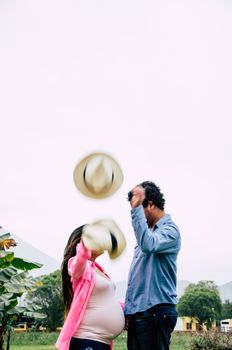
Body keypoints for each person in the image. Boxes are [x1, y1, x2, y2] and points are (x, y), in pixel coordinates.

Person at [124, 181, 181, 350]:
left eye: (138, 208)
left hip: (156, 312)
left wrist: (135, 211)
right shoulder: (147, 234)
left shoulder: (170, 231)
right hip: (139, 313)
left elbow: (149, 244)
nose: (136, 214)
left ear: (149, 204)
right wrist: (130, 310)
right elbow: (136, 275)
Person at [56, 224, 125, 350]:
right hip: (87, 339)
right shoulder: (77, 266)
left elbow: (104, 299)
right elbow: (79, 263)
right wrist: (85, 245)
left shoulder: (98, 270)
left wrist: (123, 310)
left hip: (100, 342)